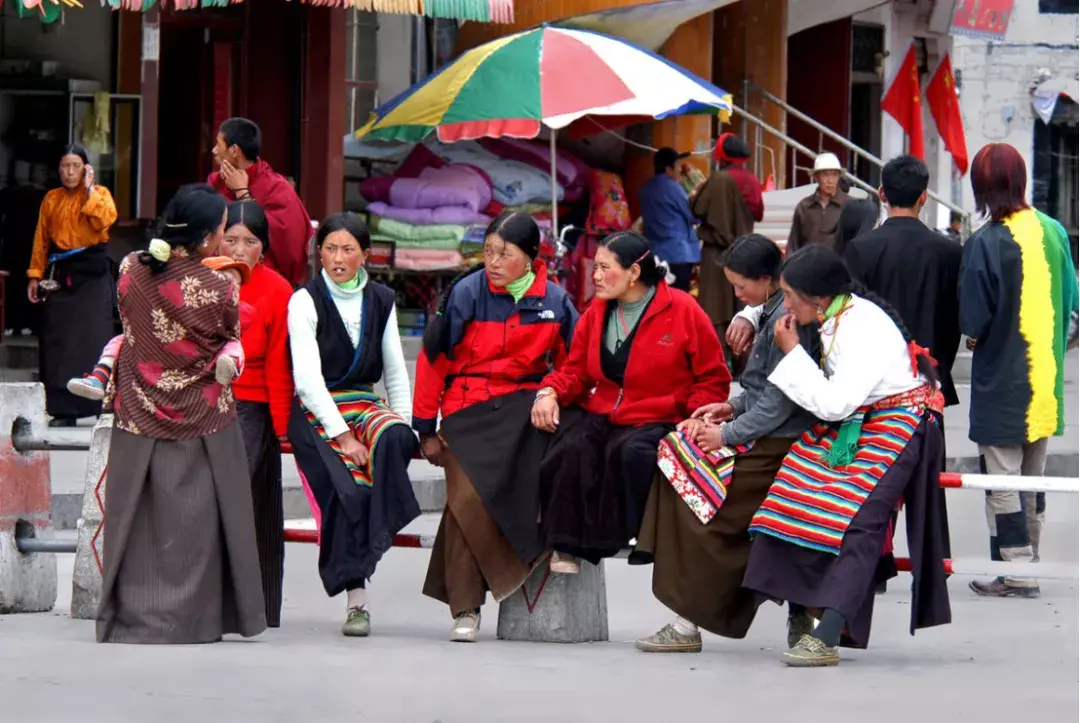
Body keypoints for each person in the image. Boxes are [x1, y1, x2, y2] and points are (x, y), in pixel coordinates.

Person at [741, 245, 951, 667]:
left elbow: (835, 404)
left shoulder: (861, 327)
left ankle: (830, 631)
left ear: (816, 298)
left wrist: (792, 352)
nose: (785, 303)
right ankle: (805, 610)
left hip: (901, 422)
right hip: (863, 419)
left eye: (790, 295)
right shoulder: (834, 313)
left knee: (858, 518)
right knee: (792, 485)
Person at [631, 234, 819, 654]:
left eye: (741, 286)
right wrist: (729, 408)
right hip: (765, 432)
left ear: (768, 280)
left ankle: (686, 621)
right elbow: (762, 393)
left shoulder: (784, 321)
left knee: (697, 498)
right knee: (675, 453)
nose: (738, 296)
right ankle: (686, 613)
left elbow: (778, 403)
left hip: (779, 445)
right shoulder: (772, 312)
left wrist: (725, 434)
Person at [96, 183, 266, 644]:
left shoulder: (131, 268)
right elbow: (229, 335)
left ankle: (133, 615)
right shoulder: (218, 288)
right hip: (204, 412)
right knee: (200, 519)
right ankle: (197, 619)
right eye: (224, 232)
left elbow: (130, 326)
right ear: (210, 236)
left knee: (139, 516)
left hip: (137, 406)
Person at [416, 211, 577, 643]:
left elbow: (573, 367)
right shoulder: (466, 293)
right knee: (466, 498)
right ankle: (466, 609)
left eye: (504, 254)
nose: (493, 261)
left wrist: (551, 393)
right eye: (488, 252)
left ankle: (555, 546)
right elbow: (433, 362)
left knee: (523, 485)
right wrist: (425, 428)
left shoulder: (556, 302)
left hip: (523, 410)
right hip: (465, 409)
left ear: (530, 257)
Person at [532, 231, 731, 569]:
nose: (595, 276)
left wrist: (697, 414)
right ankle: (565, 546)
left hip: (660, 414)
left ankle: (618, 538)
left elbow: (712, 376)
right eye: (595, 267)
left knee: (628, 453)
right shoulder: (596, 311)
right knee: (570, 449)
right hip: (607, 410)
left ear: (634, 273)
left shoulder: (682, 308)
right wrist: (548, 392)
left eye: (604, 268)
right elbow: (576, 371)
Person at [286, 211, 418, 637]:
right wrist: (343, 437)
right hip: (317, 409)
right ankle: (356, 601)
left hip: (363, 401)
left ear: (365, 254)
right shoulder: (304, 300)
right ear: (317, 252)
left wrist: (404, 424)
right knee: (350, 489)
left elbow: (395, 371)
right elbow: (306, 381)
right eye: (329, 249)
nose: (337, 258)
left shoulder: (381, 299)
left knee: (397, 436)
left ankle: (373, 534)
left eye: (347, 250)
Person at [958, 143, 1079, 599]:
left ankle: (1018, 569)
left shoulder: (984, 242)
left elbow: (974, 322)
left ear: (983, 188)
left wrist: (974, 338)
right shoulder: (1053, 230)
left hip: (1002, 380)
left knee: (1002, 478)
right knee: (1033, 475)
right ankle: (1031, 562)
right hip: (1045, 380)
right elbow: (1073, 306)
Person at [843, 155, 963, 583]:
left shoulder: (860, 249)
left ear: (880, 194)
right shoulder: (949, 252)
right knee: (929, 472)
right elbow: (954, 319)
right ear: (924, 198)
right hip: (929, 379)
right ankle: (934, 562)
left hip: (875, 382)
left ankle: (873, 562)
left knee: (872, 471)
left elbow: (849, 318)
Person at [219, 199, 296, 627]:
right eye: (230, 238)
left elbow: (282, 363)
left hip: (253, 408)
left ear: (262, 249)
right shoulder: (204, 280)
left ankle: (257, 608)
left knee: (249, 506)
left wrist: (282, 428)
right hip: (206, 401)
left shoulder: (278, 289)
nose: (237, 249)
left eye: (249, 241)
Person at [66, 256, 250, 401]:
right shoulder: (184, 300)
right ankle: (99, 377)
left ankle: (228, 367)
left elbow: (243, 322)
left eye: (236, 284)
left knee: (233, 346)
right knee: (121, 339)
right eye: (225, 281)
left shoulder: (242, 309)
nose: (231, 288)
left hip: (209, 362)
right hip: (171, 353)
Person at [27, 144, 118, 427]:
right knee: (58, 341)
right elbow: (41, 239)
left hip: (91, 277)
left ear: (85, 169)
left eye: (75, 166)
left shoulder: (100, 195)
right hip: (61, 275)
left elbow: (105, 220)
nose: (69, 172)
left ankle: (96, 406)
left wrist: (90, 189)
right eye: (65, 166)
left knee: (92, 339)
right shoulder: (51, 199)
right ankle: (63, 410)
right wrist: (35, 275)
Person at [209, 117, 313, 287]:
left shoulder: (276, 188)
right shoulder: (216, 182)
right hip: (216, 277)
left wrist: (243, 194)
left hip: (263, 279)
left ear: (234, 150)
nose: (214, 150)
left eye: (218, 145)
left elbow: (288, 241)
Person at [689, 133, 762, 350]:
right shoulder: (753, 180)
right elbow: (758, 213)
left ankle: (719, 362)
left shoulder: (719, 179)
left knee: (715, 309)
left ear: (723, 154)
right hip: (744, 254)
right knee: (742, 306)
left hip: (717, 253)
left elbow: (697, 208)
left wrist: (695, 193)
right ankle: (742, 362)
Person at [637, 147, 700, 291]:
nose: (680, 170)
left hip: (655, 254)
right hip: (678, 254)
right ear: (668, 168)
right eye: (677, 165)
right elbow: (694, 216)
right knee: (678, 300)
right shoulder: (673, 188)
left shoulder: (645, 189)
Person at [786, 152, 849, 255]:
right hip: (808, 266)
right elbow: (793, 244)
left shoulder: (849, 205)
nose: (830, 180)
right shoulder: (804, 207)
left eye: (834, 174)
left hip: (838, 267)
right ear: (816, 177)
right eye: (825, 175)